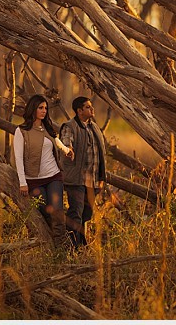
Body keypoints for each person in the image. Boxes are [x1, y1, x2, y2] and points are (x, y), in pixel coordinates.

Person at [13, 94, 73, 246]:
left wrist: (67, 150)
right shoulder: (21, 131)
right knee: (46, 211)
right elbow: (18, 158)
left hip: (53, 176)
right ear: (33, 108)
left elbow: (55, 141)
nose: (44, 111)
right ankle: (51, 244)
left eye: (45, 108)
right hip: (33, 180)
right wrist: (22, 182)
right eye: (40, 108)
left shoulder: (46, 127)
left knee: (58, 213)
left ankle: (63, 249)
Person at [59, 96, 106, 248]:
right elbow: (66, 142)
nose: (91, 109)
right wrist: (68, 149)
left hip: (92, 180)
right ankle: (73, 248)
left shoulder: (94, 127)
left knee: (86, 214)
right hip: (76, 180)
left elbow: (100, 154)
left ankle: (80, 244)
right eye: (87, 107)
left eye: (91, 106)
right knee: (75, 213)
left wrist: (101, 177)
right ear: (79, 111)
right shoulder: (69, 126)